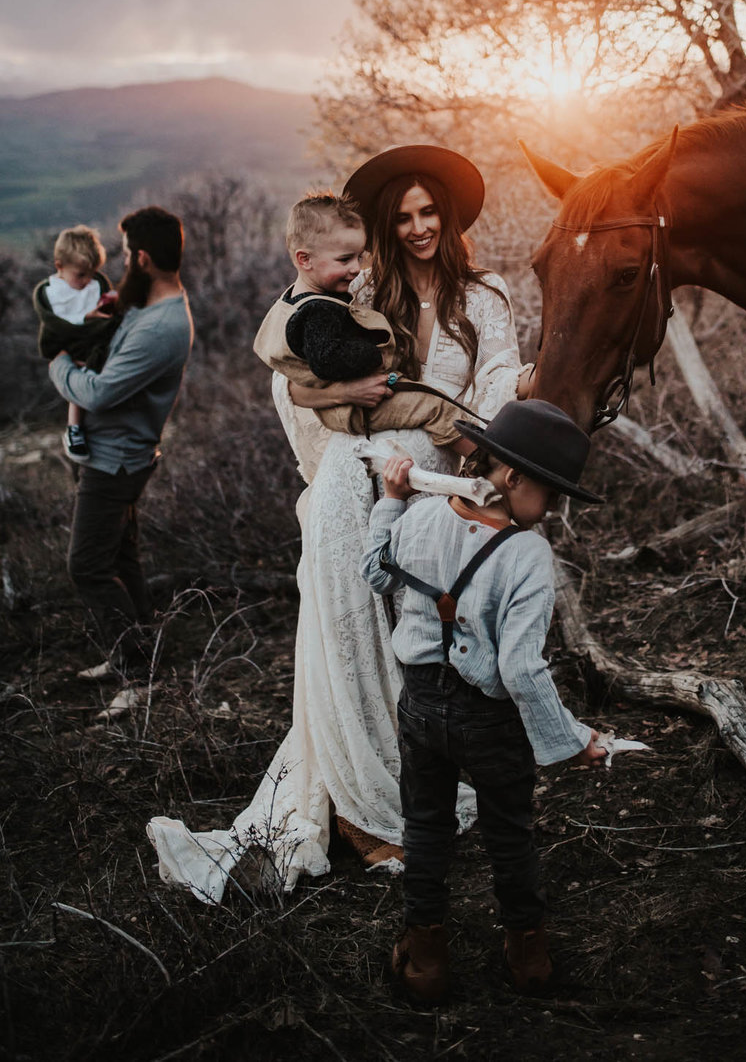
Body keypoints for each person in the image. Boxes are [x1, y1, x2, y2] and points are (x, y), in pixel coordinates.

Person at [147, 145, 531, 903]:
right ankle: (360, 810)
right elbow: (296, 383)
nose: (419, 227)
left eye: (429, 213)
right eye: (404, 217)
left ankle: (398, 792)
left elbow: (488, 395)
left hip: (430, 487)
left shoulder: (484, 295)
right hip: (350, 482)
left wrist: (468, 474)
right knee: (349, 638)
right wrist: (336, 441)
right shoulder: (363, 288)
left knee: (414, 649)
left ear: (448, 217)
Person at [360, 399, 607, 1005]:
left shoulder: (416, 518)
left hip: (419, 705)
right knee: (509, 834)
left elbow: (376, 573)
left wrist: (389, 501)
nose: (551, 510)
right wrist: (572, 740)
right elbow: (521, 669)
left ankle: (426, 960)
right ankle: (530, 958)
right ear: (514, 478)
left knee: (425, 828)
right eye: (549, 494)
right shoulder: (528, 555)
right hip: (490, 719)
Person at [47, 206, 194, 719]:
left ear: (145, 257)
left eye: (129, 252)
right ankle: (138, 657)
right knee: (120, 558)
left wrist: (59, 363)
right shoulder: (150, 305)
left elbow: (103, 392)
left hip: (116, 462)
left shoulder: (161, 326)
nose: (125, 260)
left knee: (86, 565)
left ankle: (137, 676)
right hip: (117, 454)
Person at [252, 192, 464, 446]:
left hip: (349, 406)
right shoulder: (319, 310)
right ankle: (484, 461)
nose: (355, 268)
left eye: (359, 257)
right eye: (344, 260)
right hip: (356, 407)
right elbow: (327, 360)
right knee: (436, 407)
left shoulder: (294, 300)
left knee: (431, 402)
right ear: (304, 259)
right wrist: (372, 353)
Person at [33, 224, 119, 462]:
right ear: (59, 266)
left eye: (92, 273)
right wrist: (88, 319)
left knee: (97, 372)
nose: (87, 280)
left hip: (95, 344)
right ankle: (74, 429)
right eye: (81, 275)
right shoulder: (54, 292)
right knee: (81, 379)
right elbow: (58, 323)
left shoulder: (93, 284)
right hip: (68, 345)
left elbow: (103, 315)